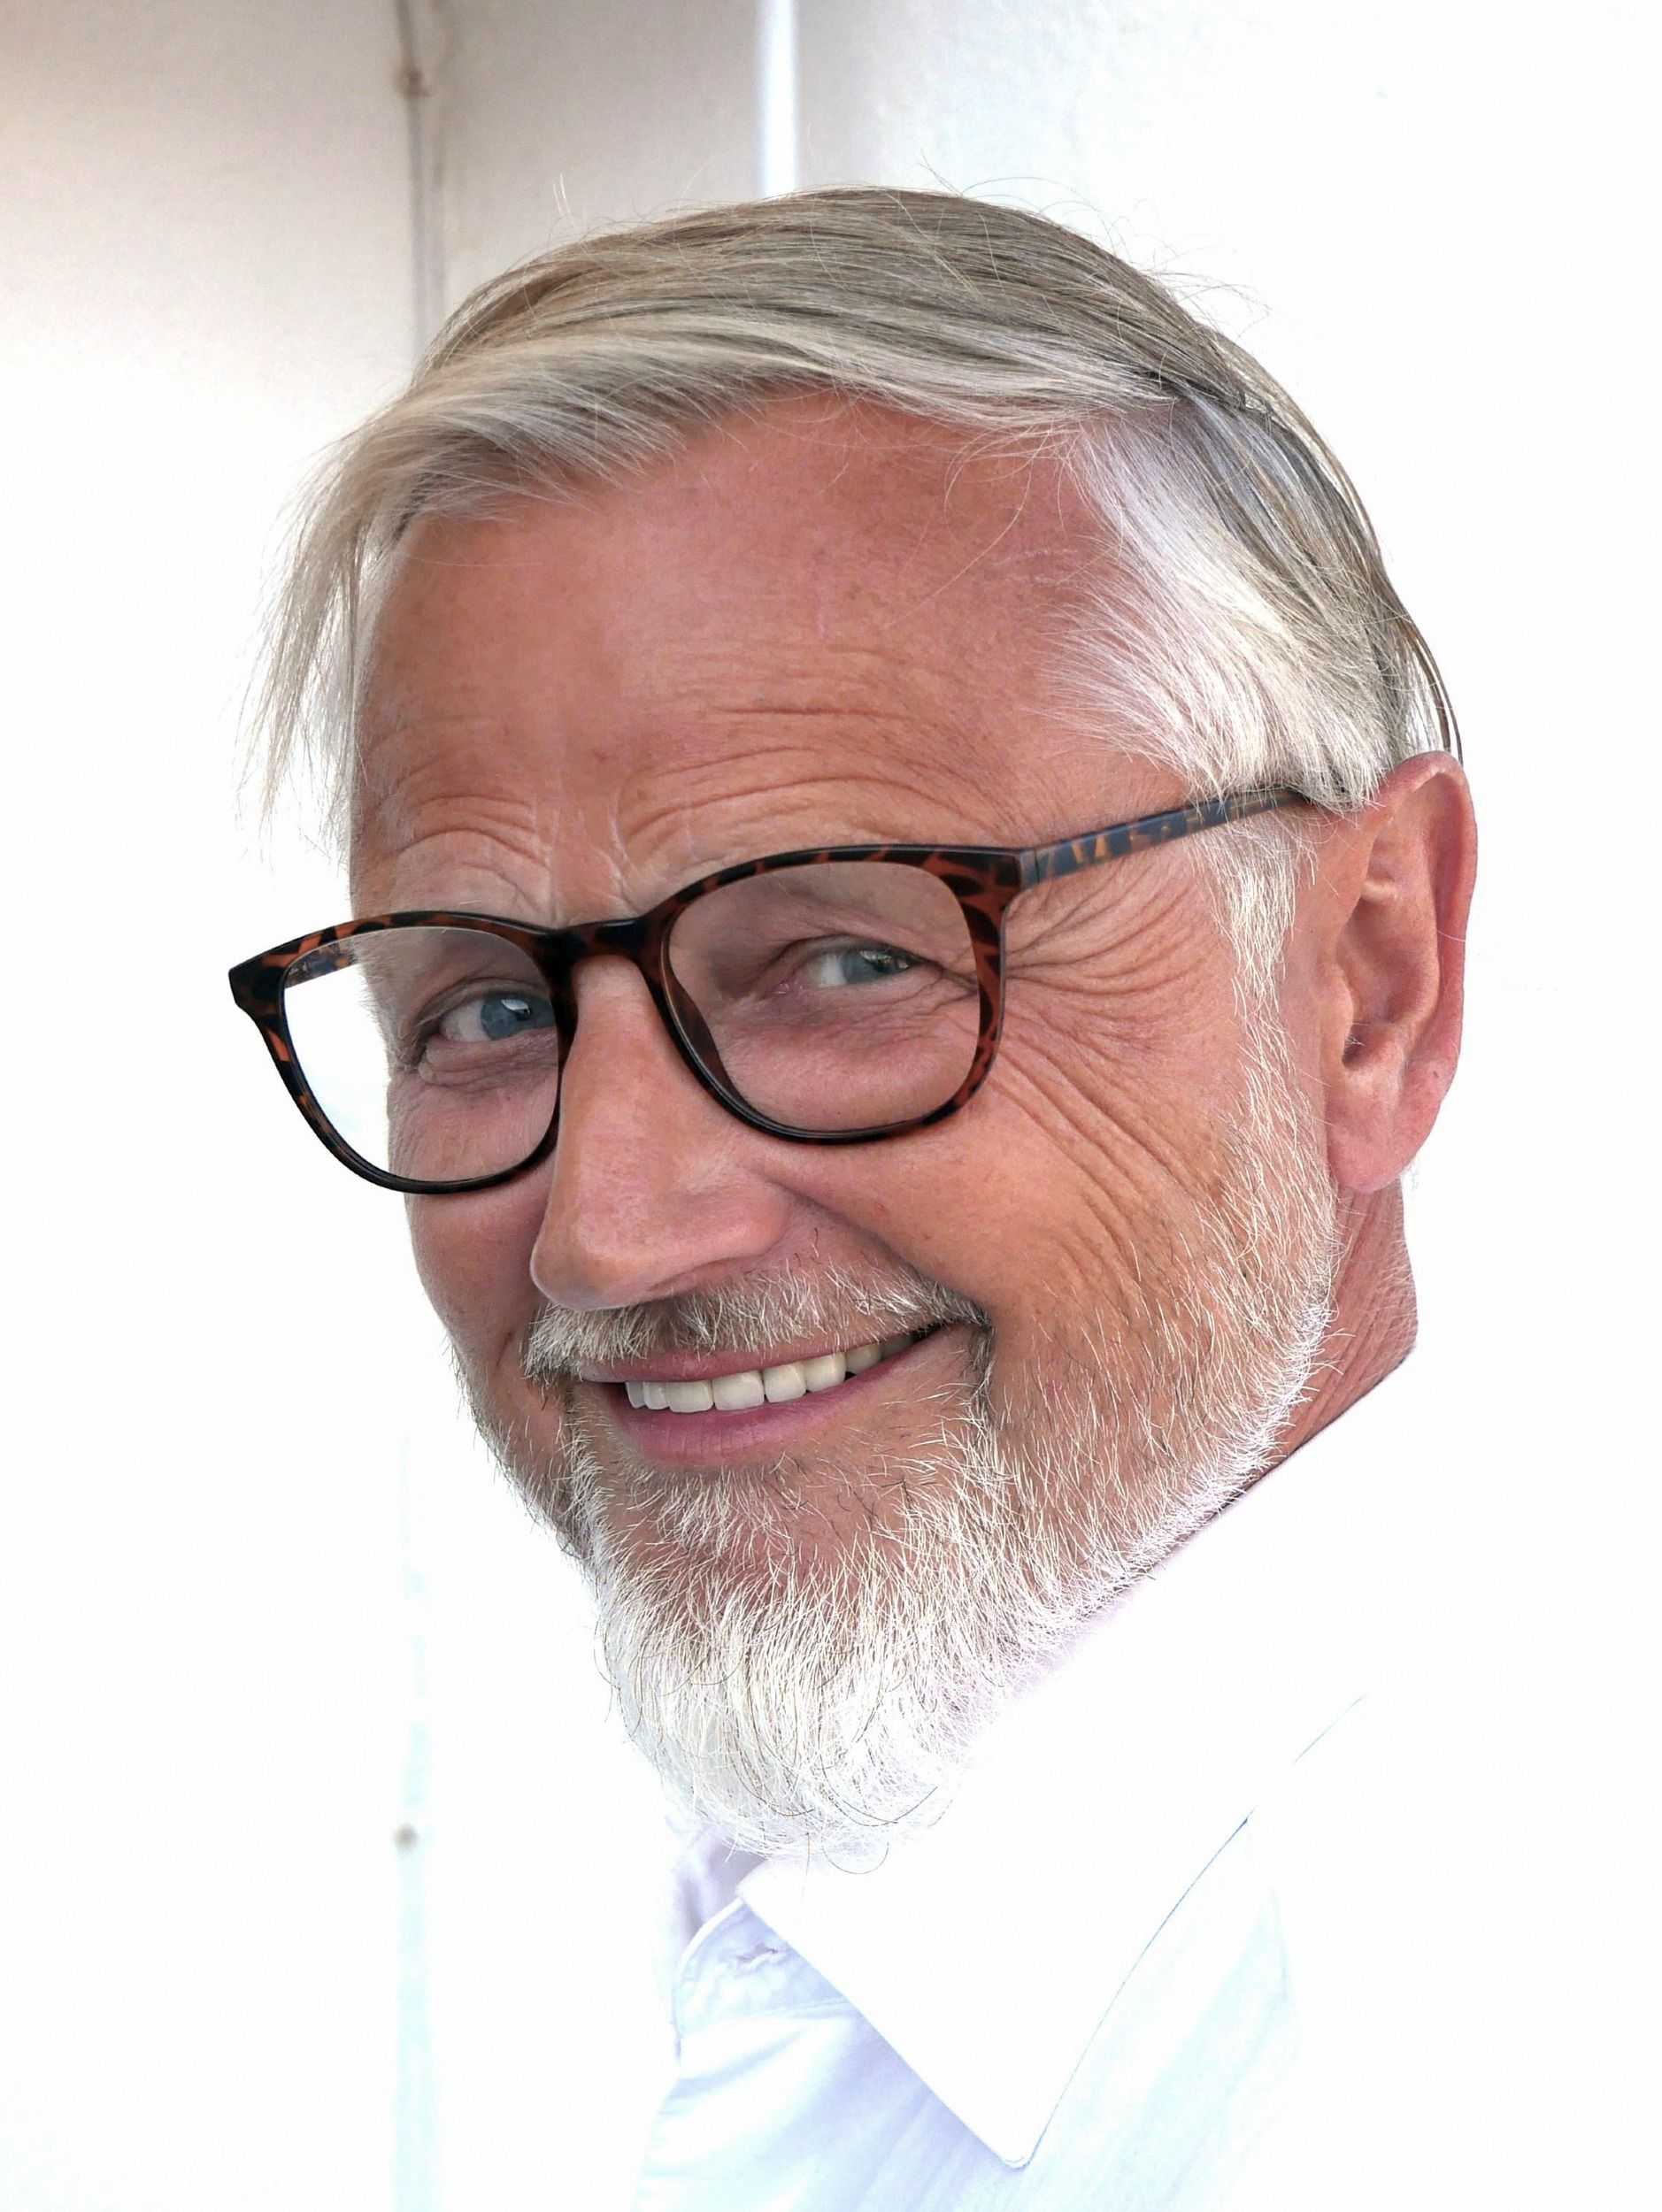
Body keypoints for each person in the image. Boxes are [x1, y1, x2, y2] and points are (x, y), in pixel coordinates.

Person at [232, 188, 1480, 2207]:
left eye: (848, 957)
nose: (605, 1231)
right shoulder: (788, 1908)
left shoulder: (1466, 2067)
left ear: (1367, 980)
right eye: (485, 1007)